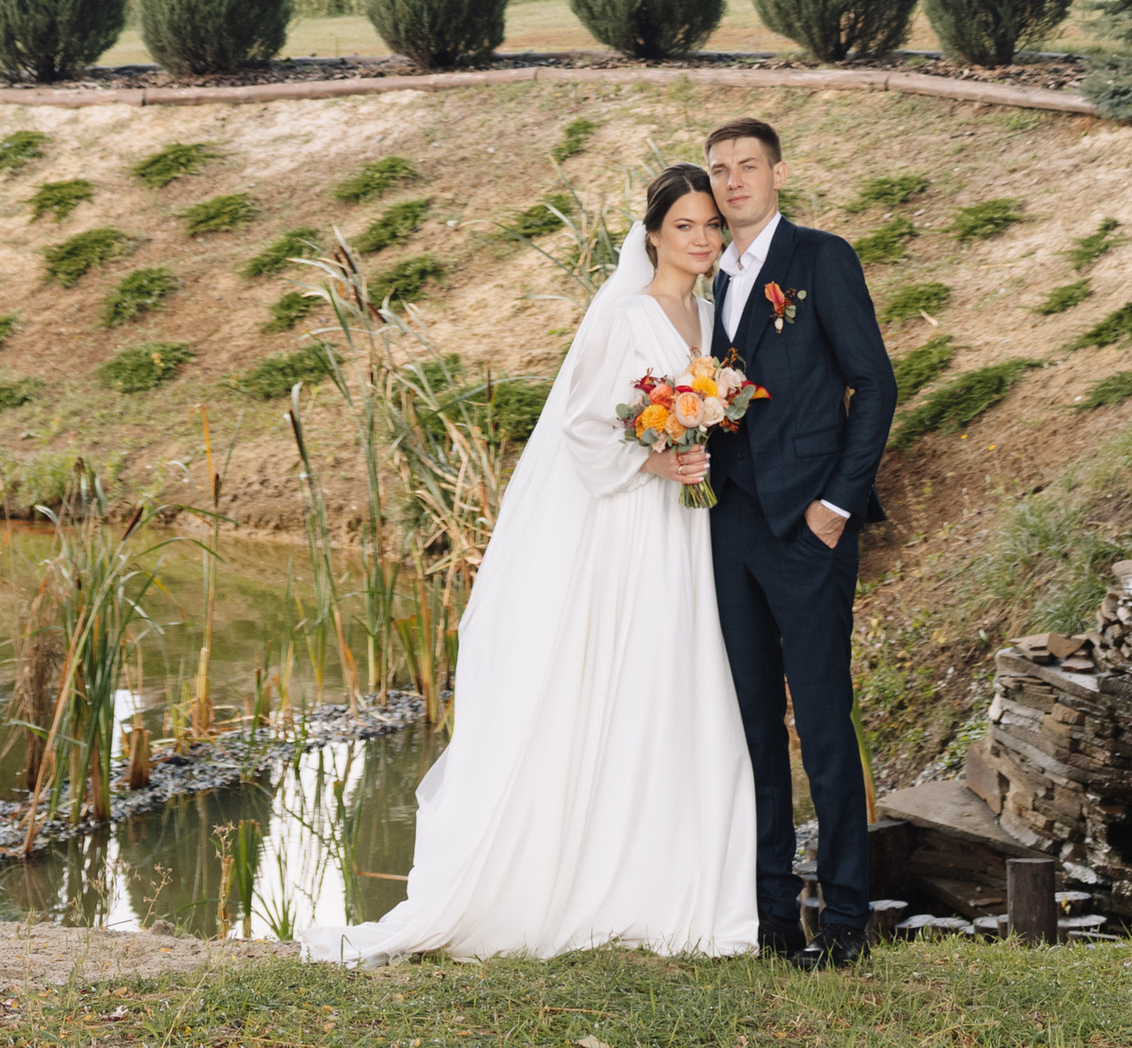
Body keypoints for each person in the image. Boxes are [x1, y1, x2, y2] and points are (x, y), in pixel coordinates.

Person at [338, 161, 757, 961]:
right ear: (653, 235)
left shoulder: (708, 314)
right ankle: (581, 878)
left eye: (711, 225)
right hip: (633, 527)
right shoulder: (625, 316)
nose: (702, 239)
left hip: (689, 531)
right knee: (622, 676)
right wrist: (656, 461)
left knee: (679, 682)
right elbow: (582, 426)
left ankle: (674, 878)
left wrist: (693, 442)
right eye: (685, 227)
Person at [702, 114, 899, 963]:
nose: (734, 181)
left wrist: (836, 507)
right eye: (720, 170)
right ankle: (773, 914)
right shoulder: (705, 278)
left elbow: (875, 385)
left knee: (822, 724)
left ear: (778, 173)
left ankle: (847, 919)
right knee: (751, 727)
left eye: (749, 165)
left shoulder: (821, 258)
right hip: (727, 527)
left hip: (809, 528)